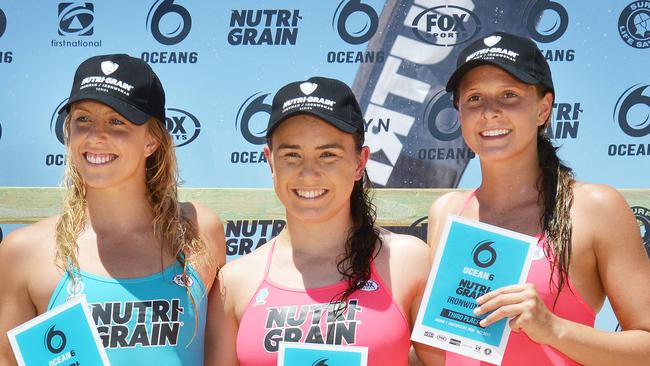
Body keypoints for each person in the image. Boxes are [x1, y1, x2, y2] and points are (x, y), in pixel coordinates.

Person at [426, 32, 650, 365]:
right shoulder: (446, 211)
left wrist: (553, 328)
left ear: (543, 108)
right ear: (459, 113)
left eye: (509, 94)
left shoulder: (595, 207)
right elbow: (438, 351)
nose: (490, 112)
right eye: (474, 98)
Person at [0, 54, 225, 365]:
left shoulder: (199, 231)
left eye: (117, 121)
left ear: (152, 140)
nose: (96, 136)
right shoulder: (25, 252)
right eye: (83, 120)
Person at [208, 77, 441, 365]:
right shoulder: (235, 282)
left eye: (328, 154)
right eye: (292, 154)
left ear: (359, 162)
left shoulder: (406, 261)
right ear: (270, 161)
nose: (308, 172)